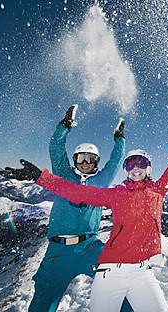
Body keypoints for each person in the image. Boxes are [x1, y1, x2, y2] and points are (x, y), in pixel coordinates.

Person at [0, 129, 168, 312]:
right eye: (131, 164)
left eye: (141, 164)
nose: (136, 168)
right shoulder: (112, 193)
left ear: (148, 168)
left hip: (118, 259)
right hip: (86, 261)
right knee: (44, 300)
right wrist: (39, 176)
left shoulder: (154, 190)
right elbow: (75, 190)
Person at [14, 105, 132, 312]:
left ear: (96, 161)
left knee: (119, 283)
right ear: (74, 160)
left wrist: (119, 138)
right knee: (43, 299)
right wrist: (64, 126)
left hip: (90, 247)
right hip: (58, 250)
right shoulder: (64, 176)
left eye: (90, 159)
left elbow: (116, 161)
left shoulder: (102, 180)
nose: (85, 163)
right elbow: (56, 149)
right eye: (81, 158)